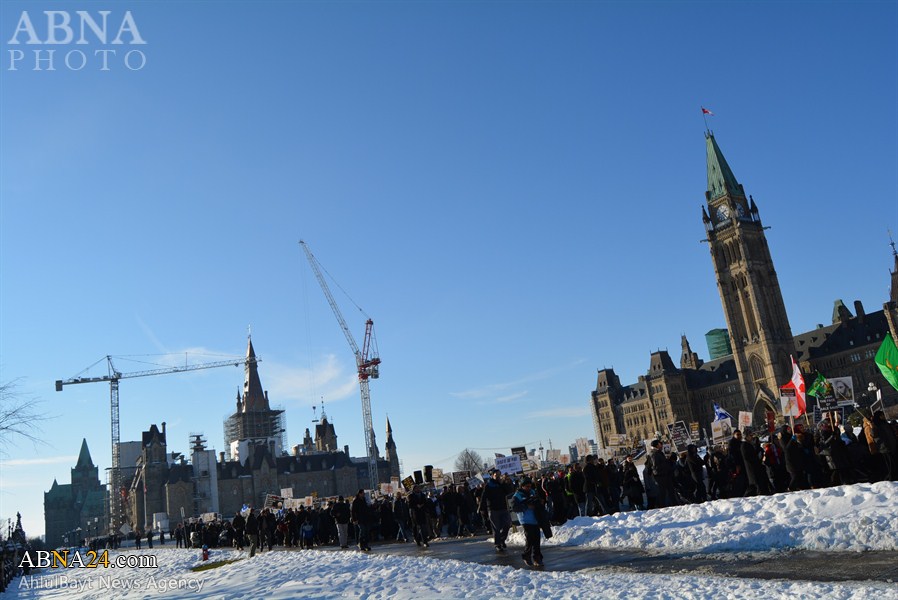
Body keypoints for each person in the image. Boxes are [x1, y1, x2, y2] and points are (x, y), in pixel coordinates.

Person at [512, 477, 545, 567]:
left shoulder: (532, 492)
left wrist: (540, 502)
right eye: (527, 486)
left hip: (534, 519)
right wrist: (526, 506)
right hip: (525, 520)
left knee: (537, 539)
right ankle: (526, 555)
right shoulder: (517, 495)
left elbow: (537, 500)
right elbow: (514, 508)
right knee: (530, 539)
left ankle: (537, 558)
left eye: (530, 486)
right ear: (522, 486)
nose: (529, 488)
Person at [479, 470, 514, 552]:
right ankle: (498, 544)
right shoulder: (489, 485)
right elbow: (484, 497)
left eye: (499, 475)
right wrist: (482, 508)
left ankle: (502, 539)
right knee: (496, 528)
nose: (498, 476)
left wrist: (504, 483)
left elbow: (510, 492)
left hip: (504, 508)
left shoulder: (502, 484)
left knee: (507, 524)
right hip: (493, 509)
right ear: (492, 476)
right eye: (496, 475)